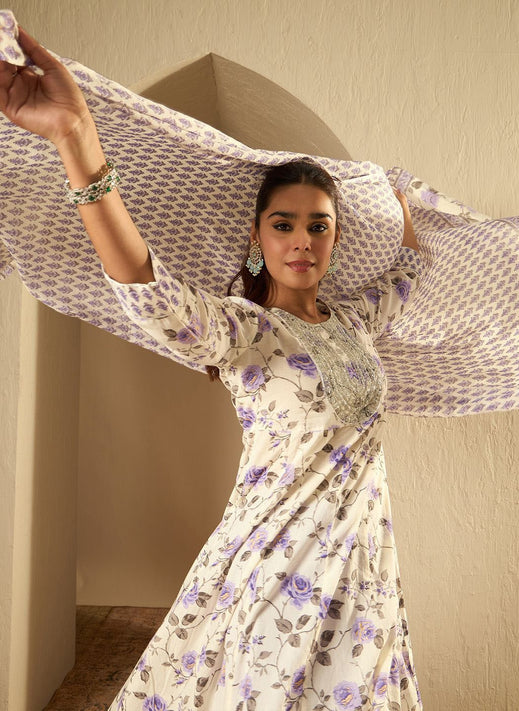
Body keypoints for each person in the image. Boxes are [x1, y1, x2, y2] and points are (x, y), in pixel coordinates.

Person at [1, 29, 424, 711]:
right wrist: (76, 141)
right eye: (283, 224)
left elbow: (406, 273)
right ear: (258, 238)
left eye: (318, 226)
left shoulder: (353, 323)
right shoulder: (243, 329)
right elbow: (146, 287)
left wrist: (404, 204)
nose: (301, 240)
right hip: (279, 574)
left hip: (363, 573)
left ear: (334, 238)